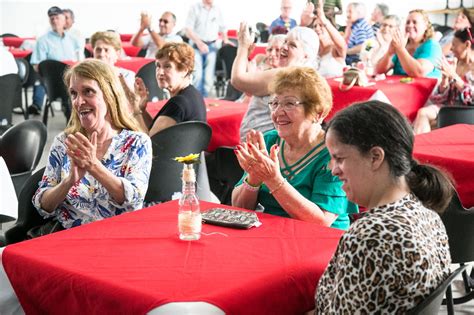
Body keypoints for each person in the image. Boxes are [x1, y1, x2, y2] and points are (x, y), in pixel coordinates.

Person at [316, 100, 453, 313]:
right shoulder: (427, 214)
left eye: (339, 158)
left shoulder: (371, 235)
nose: (333, 170)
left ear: (375, 157)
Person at [32, 59, 152, 234]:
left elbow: (133, 200)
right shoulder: (64, 141)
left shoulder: (137, 143)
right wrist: (68, 182)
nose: (79, 101)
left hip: (119, 239)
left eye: (88, 92)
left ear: (109, 95)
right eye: (73, 94)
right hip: (68, 238)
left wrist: (93, 166)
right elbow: (42, 205)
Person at [232, 67, 358, 230]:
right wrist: (254, 178)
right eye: (274, 103)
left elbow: (321, 222)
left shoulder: (335, 152)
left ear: (318, 113)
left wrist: (274, 180)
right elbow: (239, 208)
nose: (277, 112)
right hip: (273, 233)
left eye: (289, 103)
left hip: (323, 242)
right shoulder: (270, 141)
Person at [232, 23, 320, 141]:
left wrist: (242, 46)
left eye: (292, 45)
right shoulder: (307, 76)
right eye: (285, 42)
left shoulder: (285, 75)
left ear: (306, 56)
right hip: (266, 146)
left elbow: (237, 79)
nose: (284, 47)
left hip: (264, 147)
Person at [135, 42, 207, 137]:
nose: (160, 72)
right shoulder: (193, 94)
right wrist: (142, 110)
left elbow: (149, 143)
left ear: (184, 70)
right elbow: (156, 130)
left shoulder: (178, 103)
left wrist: (136, 111)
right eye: (158, 66)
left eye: (167, 66)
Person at [413, 27, 474, 134]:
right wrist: (445, 81)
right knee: (422, 113)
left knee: (429, 118)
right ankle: (419, 146)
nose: (451, 49)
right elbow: (441, 97)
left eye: (454, 45)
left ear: (467, 45)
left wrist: (454, 76)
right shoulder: (456, 63)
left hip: (467, 112)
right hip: (449, 108)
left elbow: (472, 98)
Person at [30, 6, 84, 120]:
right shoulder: (43, 40)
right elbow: (36, 66)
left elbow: (80, 60)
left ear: (64, 19)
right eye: (52, 18)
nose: (54, 20)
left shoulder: (74, 39)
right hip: (54, 81)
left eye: (57, 18)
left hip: (74, 78)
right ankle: (73, 121)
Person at [184, 0, 233, 97]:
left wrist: (226, 39)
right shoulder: (195, 8)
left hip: (212, 47)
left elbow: (223, 28)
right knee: (197, 77)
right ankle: (196, 100)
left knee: (208, 80)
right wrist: (199, 43)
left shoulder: (217, 9)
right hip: (196, 46)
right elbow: (188, 30)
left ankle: (204, 102)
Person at [375, 9, 442, 79]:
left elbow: (418, 72)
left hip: (423, 88)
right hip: (398, 86)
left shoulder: (432, 46)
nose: (410, 25)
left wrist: (400, 49)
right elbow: (379, 71)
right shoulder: (403, 43)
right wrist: (389, 53)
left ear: (425, 26)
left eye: (414, 22)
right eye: (407, 22)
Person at [302, 0, 346, 78]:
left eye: (321, 25)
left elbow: (342, 44)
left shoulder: (335, 49)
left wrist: (323, 18)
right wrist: (302, 24)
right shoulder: (313, 51)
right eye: (315, 26)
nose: (317, 28)